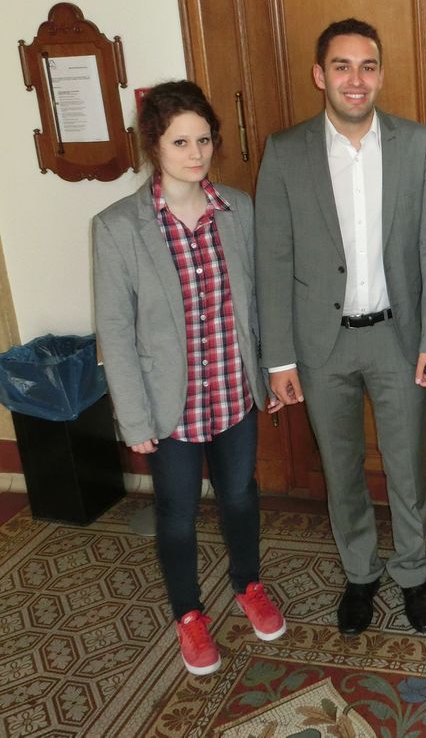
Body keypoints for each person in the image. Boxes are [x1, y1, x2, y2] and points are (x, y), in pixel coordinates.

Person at [255, 18, 426, 637]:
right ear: (320, 75)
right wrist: (279, 359)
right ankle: (361, 573)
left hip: (399, 337)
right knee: (341, 470)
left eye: (367, 66)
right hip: (322, 344)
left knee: (407, 466)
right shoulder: (285, 151)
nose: (355, 79)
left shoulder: (418, 144)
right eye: (341, 66)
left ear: (381, 74)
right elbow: (273, 259)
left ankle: (413, 572)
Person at [92, 80, 286, 676]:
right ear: (154, 144)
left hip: (232, 391)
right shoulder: (117, 226)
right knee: (176, 513)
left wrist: (271, 371)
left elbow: (258, 302)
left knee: (240, 496)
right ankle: (189, 616)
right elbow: (115, 330)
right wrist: (133, 418)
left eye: (204, 139)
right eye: (180, 142)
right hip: (167, 405)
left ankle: (247, 584)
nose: (196, 153)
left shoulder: (238, 210)